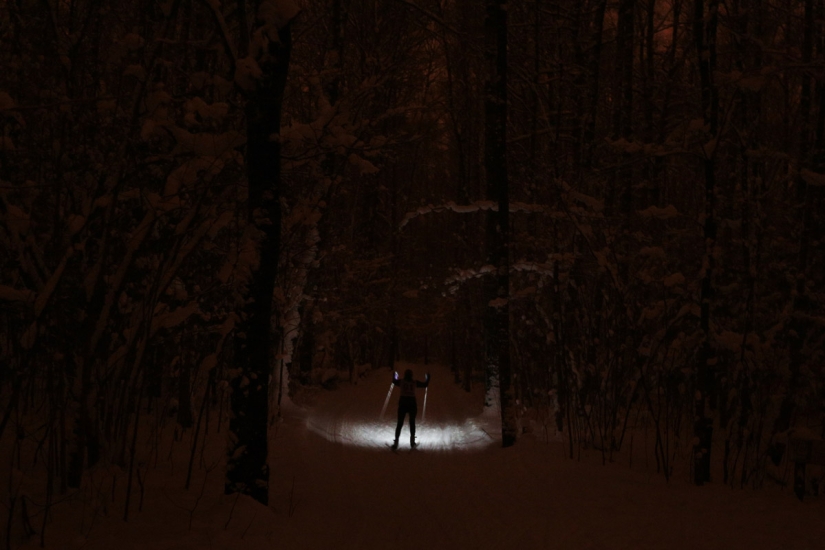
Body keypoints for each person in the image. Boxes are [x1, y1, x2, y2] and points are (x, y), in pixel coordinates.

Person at [391, 369, 430, 449]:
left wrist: (395, 375)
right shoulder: (414, 382)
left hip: (403, 403)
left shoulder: (401, 382)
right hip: (412, 403)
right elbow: (425, 385)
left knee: (400, 423)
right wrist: (428, 378)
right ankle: (412, 442)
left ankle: (396, 442)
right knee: (412, 422)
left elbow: (394, 381)